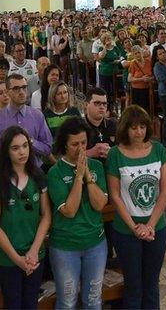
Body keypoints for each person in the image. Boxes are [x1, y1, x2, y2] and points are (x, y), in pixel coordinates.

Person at [106, 106, 166, 310]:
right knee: (133, 286)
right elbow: (115, 195)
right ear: (125, 128)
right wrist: (134, 227)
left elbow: (165, 190)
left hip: (156, 228)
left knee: (151, 285)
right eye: (133, 127)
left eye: (142, 126)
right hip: (126, 229)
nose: (139, 132)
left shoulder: (159, 150)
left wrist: (150, 225)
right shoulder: (115, 154)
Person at [0, 126, 51, 310]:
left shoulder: (38, 176)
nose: (22, 151)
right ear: (6, 151)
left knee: (31, 303)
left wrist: (33, 251)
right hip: (8, 258)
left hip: (34, 255)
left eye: (25, 146)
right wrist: (17, 259)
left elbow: (46, 215)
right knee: (13, 304)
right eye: (15, 148)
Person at [47, 118, 108, 310]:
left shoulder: (97, 167)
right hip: (66, 246)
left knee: (93, 299)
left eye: (83, 143)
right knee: (67, 301)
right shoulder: (55, 172)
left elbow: (100, 205)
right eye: (75, 144)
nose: (80, 148)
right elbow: (70, 210)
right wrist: (78, 177)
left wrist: (88, 176)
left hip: (95, 244)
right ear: (64, 144)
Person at [0, 74, 53, 167]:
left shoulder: (37, 116)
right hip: (6, 174)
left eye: (24, 87)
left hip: (34, 174)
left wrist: (30, 141)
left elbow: (47, 148)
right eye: (16, 88)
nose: (21, 92)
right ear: (7, 92)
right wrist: (8, 146)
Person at [84, 87, 117, 163]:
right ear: (86, 105)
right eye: (97, 103)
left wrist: (112, 152)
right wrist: (90, 153)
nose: (102, 107)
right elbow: (67, 156)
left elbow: (125, 149)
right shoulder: (78, 127)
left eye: (104, 104)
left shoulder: (114, 125)